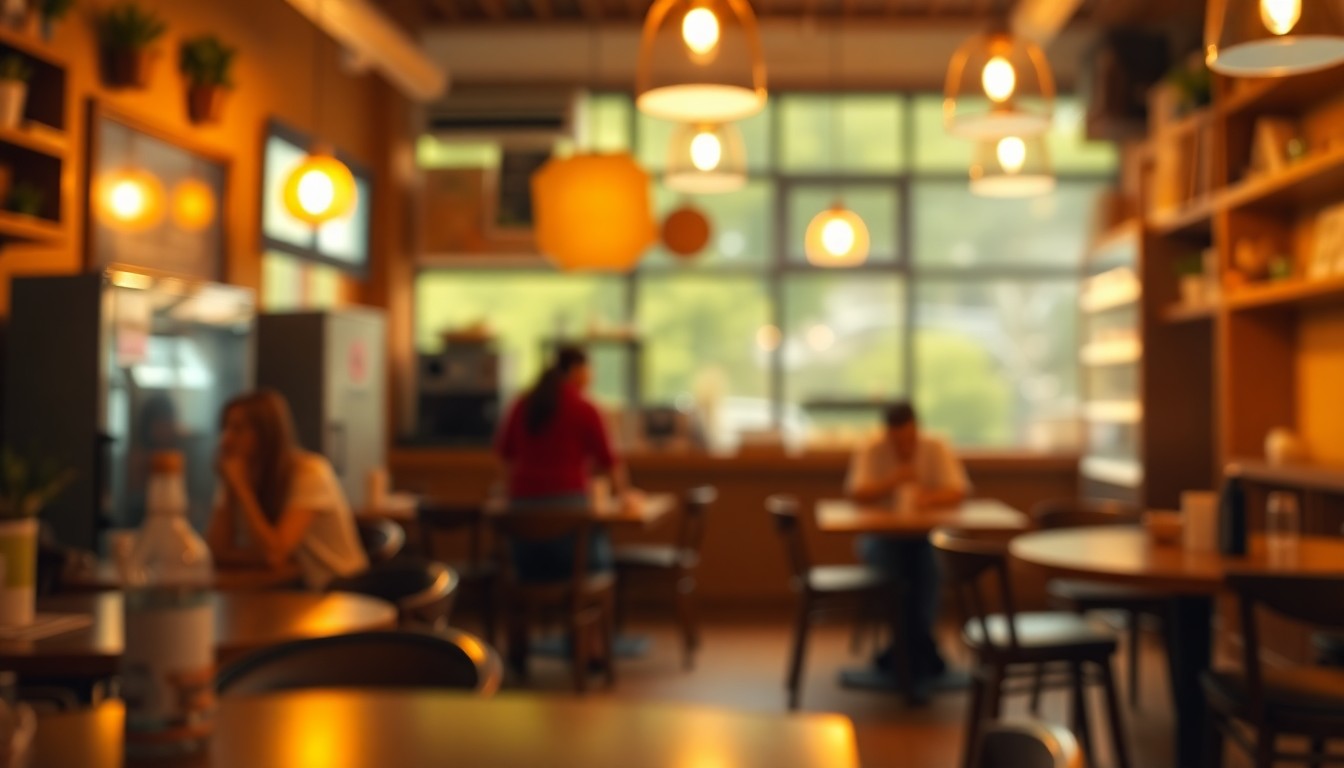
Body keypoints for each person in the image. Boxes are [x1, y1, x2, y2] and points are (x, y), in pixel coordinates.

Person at [846, 401, 970, 700]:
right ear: (887, 434)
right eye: (897, 440)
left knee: (927, 567)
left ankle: (903, 656)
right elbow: (856, 492)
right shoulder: (872, 449)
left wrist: (928, 498)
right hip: (880, 538)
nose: (904, 446)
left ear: (918, 428)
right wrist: (893, 481)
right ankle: (920, 655)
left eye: (909, 438)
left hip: (926, 536)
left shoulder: (935, 447)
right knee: (895, 571)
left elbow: (958, 490)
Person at [206, 389, 368, 590]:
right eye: (225, 429)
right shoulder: (239, 474)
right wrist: (232, 491)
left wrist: (242, 490)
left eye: (237, 430)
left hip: (336, 589)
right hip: (290, 588)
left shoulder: (310, 472)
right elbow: (217, 550)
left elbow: (274, 554)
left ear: (267, 434)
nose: (226, 440)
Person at [495, 346, 628, 582]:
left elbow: (505, 455)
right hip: (569, 519)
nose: (593, 376)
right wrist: (624, 495)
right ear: (577, 371)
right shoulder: (586, 408)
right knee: (600, 568)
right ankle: (582, 614)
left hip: (522, 519)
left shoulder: (522, 404)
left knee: (531, 575)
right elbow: (610, 463)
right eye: (591, 369)